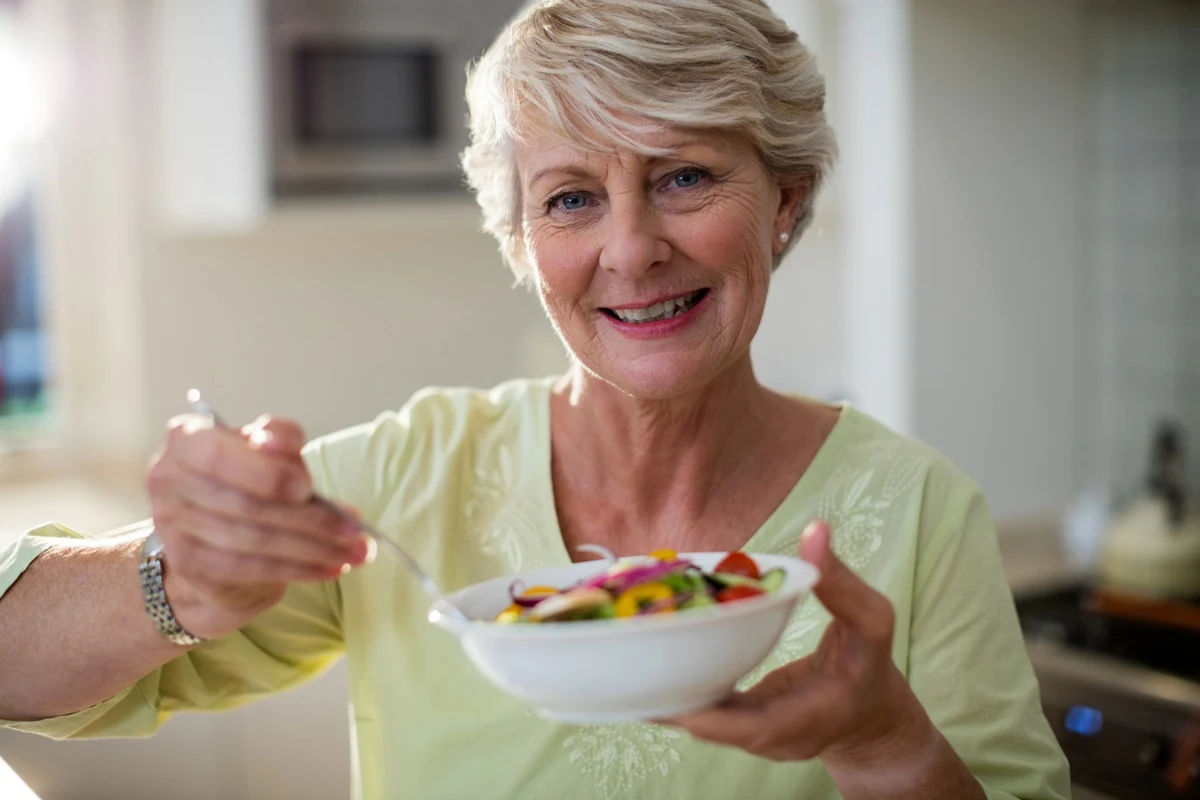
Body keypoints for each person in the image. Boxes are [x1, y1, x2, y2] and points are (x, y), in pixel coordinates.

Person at [0, 1, 1070, 798]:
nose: (632, 248)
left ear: (784, 201)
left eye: (685, 175)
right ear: (521, 242)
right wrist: (177, 575)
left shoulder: (923, 513)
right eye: (570, 198)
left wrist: (888, 743)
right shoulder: (409, 479)